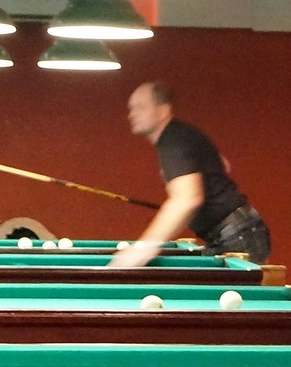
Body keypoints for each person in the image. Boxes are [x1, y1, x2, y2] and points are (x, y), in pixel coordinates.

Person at [109, 81, 270, 266]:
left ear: (162, 111)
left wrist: (144, 247)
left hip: (237, 236)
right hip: (236, 232)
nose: (131, 114)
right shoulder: (180, 135)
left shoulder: (173, 141)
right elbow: (223, 165)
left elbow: (187, 200)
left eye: (140, 107)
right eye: (131, 108)